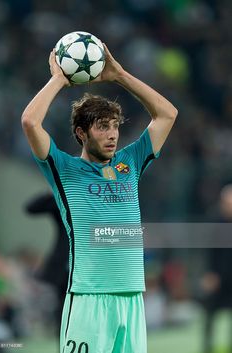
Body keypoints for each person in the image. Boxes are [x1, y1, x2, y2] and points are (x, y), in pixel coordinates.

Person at [21, 43, 178, 353]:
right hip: (88, 298)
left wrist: (119, 75)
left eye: (115, 127)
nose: (112, 135)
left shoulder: (129, 163)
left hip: (132, 297)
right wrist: (58, 79)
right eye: (103, 127)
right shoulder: (64, 169)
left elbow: (167, 114)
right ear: (81, 133)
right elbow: (30, 122)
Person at [25, 192, 69, 335]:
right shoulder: (62, 197)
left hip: (91, 265)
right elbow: (31, 208)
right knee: (63, 312)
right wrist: (55, 189)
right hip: (63, 266)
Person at [201, 185, 232, 353]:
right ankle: (207, 347)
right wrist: (209, 274)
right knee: (210, 315)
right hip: (218, 276)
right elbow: (210, 251)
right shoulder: (215, 221)